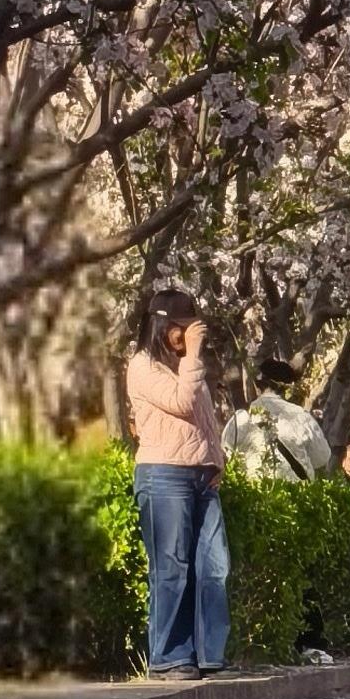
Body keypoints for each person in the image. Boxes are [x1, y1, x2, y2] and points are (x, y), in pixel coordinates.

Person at [127, 285, 231, 678]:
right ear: (162, 326)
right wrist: (193, 355)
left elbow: (204, 418)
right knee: (172, 568)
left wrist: (217, 458)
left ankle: (208, 654)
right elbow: (182, 403)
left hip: (202, 476)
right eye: (181, 327)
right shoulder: (143, 366)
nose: (187, 335)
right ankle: (169, 657)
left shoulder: (185, 366)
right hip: (164, 474)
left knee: (214, 566)